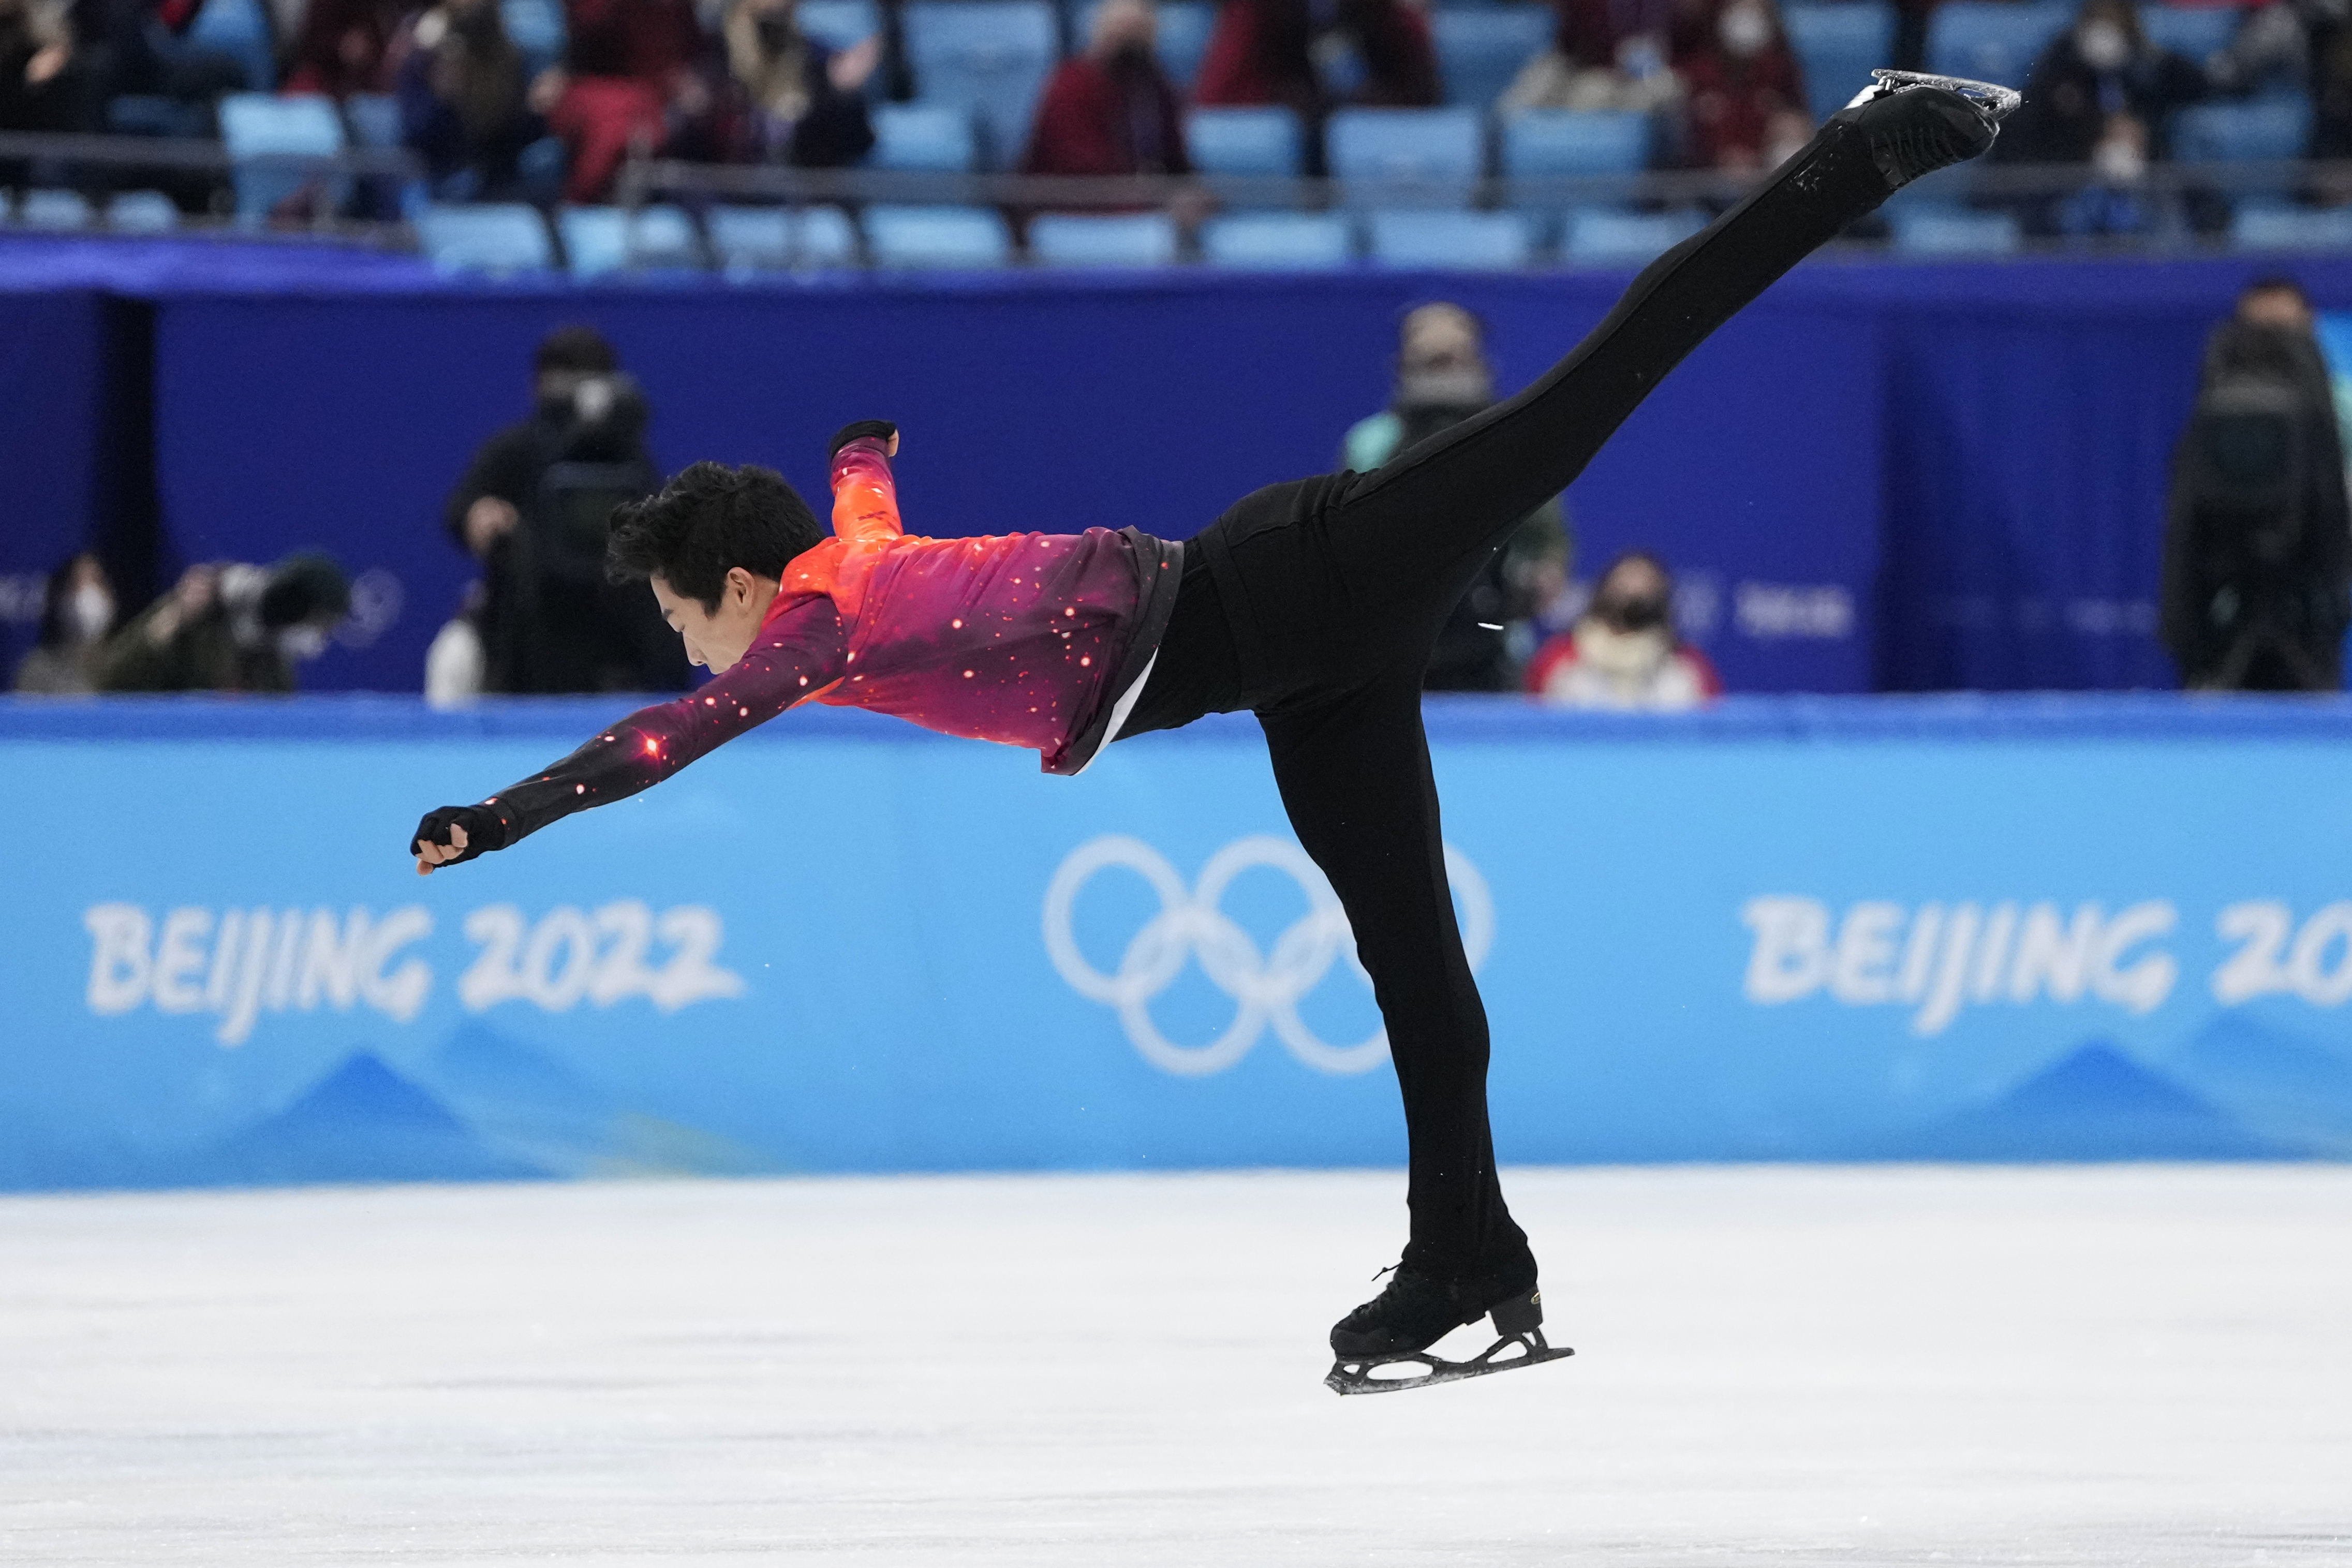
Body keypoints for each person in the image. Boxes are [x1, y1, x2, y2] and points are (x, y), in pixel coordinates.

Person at [409, 76, 2006, 1389]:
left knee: (1600, 386)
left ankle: (1868, 145)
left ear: (744, 585)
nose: (691, 647)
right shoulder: (846, 555)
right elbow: (860, 452)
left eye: (690, 614)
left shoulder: (816, 625)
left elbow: (665, 740)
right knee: (1416, 970)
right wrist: (860, 431)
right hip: (1291, 669)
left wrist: (500, 811)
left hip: (1298, 573)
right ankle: (1469, 1249)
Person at [442, 324, 690, 694]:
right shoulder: (515, 449)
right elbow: (459, 511)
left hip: (617, 616)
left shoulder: (629, 460)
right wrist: (479, 513)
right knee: (451, 660)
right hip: (530, 616)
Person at [1342, 302, 1569, 691]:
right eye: (1430, 361)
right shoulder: (1369, 443)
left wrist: (1538, 578)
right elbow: (1348, 538)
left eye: (1453, 358)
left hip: (1495, 644)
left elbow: (1548, 541)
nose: (1442, 372)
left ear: (1478, 363)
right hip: (1393, 642)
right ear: (1404, 365)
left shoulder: (1514, 440)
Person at [2159, 276, 2351, 692]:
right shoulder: (2208, 427)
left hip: (2312, 594)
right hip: (2224, 598)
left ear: (2309, 327)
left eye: (2283, 333)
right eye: (2257, 331)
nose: (2270, 347)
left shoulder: (2340, 411)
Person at [1992, 0, 2207, 235]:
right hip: (2071, 176)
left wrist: (2138, 133)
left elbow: (2198, 88)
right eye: (2099, 20)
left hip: (2145, 173)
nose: (2106, 30)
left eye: (2114, 21)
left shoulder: (2144, 65)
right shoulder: (2063, 62)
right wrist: (2097, 137)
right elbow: (2036, 118)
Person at [537, 0, 711, 202]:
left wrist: (688, 85)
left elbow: (685, 62)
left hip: (656, 102)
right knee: (626, 118)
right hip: (587, 90)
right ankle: (576, 207)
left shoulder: (679, 13)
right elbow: (581, 47)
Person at [98, 553, 349, 693]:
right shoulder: (199, 611)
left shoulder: (273, 658)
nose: (320, 639)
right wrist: (168, 626)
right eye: (319, 626)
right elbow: (111, 682)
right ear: (295, 611)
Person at [1525, 550, 1721, 708]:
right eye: (1625, 579)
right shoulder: (1557, 659)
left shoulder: (1688, 670)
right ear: (1603, 589)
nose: (1634, 587)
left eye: (1646, 582)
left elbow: (1710, 735)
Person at [1022, 0, 1190, 179]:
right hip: (1071, 196)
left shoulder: (1154, 85)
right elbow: (1079, 164)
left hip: (1138, 194)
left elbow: (1173, 152)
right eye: (1121, 34)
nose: (1130, 44)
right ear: (1101, 35)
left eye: (1139, 32)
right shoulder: (1073, 84)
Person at [398, 0, 544, 200]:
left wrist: (526, 106)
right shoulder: (426, 55)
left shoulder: (509, 58)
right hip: (437, 174)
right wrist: (445, 96)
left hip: (496, 174)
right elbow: (416, 135)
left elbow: (514, 141)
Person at [1192, 0, 1440, 117]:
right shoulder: (1258, 12)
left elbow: (1422, 93)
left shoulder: (1389, 14)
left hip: (1374, 144)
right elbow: (1219, 96)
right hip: (1294, 153)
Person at [719, 0, 876, 167]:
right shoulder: (722, 51)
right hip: (754, 170)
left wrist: (840, 86)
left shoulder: (811, 50)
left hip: (809, 165)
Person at [1676, 0, 1810, 174]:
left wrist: (1761, 155)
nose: (1745, 14)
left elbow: (1798, 118)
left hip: (1763, 171)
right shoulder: (1698, 73)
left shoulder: (1780, 70)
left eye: (1753, 7)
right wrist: (1718, 156)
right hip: (1705, 176)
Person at [1500, 0, 1684, 116]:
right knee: (1517, 104)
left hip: (1641, 78)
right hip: (1583, 66)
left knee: (1592, 97)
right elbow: (1576, 44)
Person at [11, 552, 115, 694]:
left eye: (96, 581)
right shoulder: (37, 672)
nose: (88, 595)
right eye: (77, 585)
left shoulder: (125, 664)